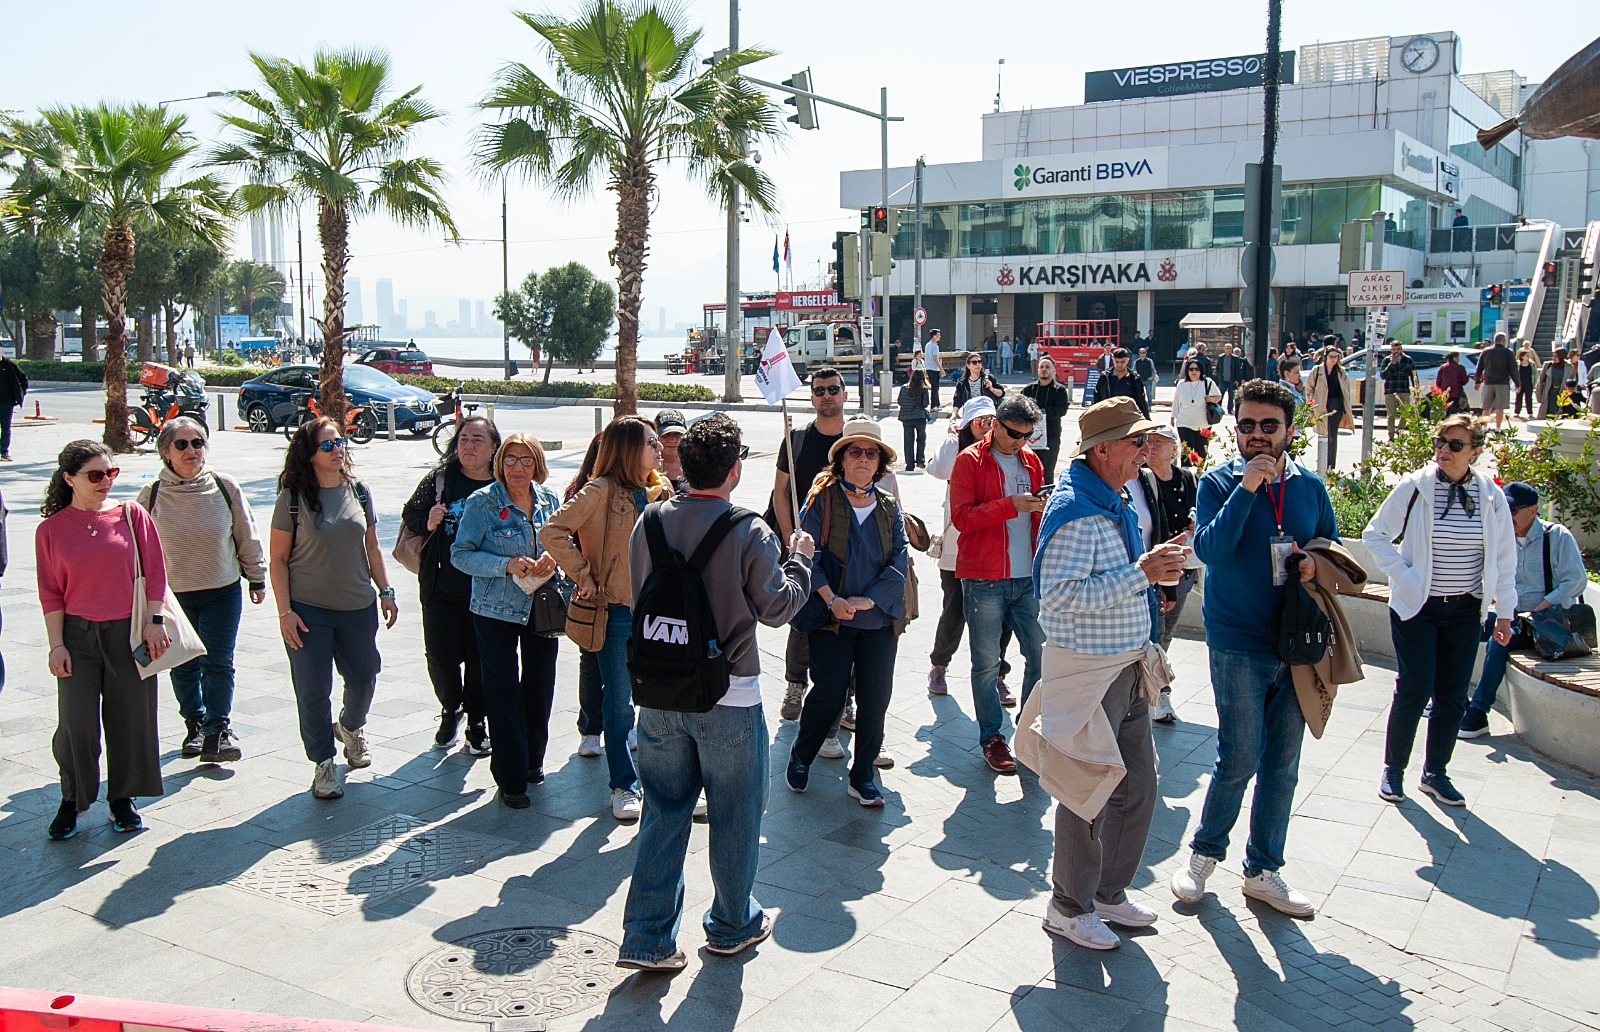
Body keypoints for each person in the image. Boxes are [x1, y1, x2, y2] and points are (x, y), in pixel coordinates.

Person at [617, 415, 815, 972]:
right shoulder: (748, 529)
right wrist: (798, 558)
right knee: (735, 814)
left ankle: (647, 936)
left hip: (658, 692)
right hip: (729, 694)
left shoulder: (649, 523)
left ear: (683, 463)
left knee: (663, 810)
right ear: (733, 470)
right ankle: (732, 924)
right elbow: (777, 609)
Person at [1172, 379, 1337, 917]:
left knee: (1283, 763)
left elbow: (1330, 547)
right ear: (1235, 428)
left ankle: (1264, 869)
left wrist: (1315, 564)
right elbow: (1212, 551)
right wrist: (1246, 490)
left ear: (1290, 430)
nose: (1258, 436)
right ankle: (1203, 855)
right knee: (1238, 756)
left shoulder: (1310, 487)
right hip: (1238, 640)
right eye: (1247, 426)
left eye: (1270, 426)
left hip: (1297, 642)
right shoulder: (1218, 483)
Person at [1031, 397, 1184, 950]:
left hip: (1124, 663)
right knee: (1085, 790)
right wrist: (1140, 574)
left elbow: (1112, 577)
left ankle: (1107, 894)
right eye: (1135, 441)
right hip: (1087, 672)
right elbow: (1057, 600)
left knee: (1138, 786)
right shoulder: (1076, 509)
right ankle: (1067, 906)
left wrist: (1147, 582)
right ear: (1102, 450)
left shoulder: (1112, 495)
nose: (1146, 450)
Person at [1364, 415, 1517, 807]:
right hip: (1418, 608)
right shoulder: (1415, 486)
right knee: (1415, 687)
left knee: (1451, 694)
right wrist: (1406, 575)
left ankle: (1435, 773)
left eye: (1455, 445)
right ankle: (1393, 771)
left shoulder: (1489, 495)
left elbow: (1504, 556)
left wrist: (1504, 612)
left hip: (1466, 609)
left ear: (1475, 451)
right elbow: (1375, 535)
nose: (1444, 450)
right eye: (1440, 442)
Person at [37, 440, 171, 839]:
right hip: (77, 637)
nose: (105, 482)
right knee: (75, 724)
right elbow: (50, 592)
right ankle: (73, 799)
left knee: (131, 719)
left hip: (129, 633)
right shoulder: (51, 530)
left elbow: (157, 572)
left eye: (110, 473)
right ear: (69, 478)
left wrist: (155, 621)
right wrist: (56, 644)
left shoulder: (133, 516)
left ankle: (122, 799)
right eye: (95, 475)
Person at [543, 415, 672, 821]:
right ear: (629, 449)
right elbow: (553, 531)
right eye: (652, 442)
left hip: (658, 611)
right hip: (616, 612)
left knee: (662, 704)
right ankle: (623, 785)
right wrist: (583, 574)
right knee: (618, 706)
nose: (660, 449)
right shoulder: (599, 490)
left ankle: (667, 783)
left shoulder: (661, 488)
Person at [271, 419, 398, 800]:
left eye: (340, 442)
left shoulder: (359, 492)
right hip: (308, 610)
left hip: (358, 605)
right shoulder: (292, 498)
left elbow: (372, 546)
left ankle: (350, 727)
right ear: (308, 454)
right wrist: (284, 612)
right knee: (313, 690)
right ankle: (323, 764)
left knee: (364, 676)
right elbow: (277, 560)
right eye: (327, 445)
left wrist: (386, 589)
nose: (337, 449)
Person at [786, 419, 907, 806]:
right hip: (832, 617)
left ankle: (863, 774)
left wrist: (868, 600)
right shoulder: (823, 498)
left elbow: (900, 559)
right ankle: (802, 756)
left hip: (876, 620)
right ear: (841, 459)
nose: (863, 458)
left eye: (871, 453)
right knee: (829, 695)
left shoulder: (888, 506)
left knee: (875, 699)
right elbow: (808, 555)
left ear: (879, 464)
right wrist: (830, 597)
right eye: (855, 451)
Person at [134, 417, 266, 764]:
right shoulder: (152, 495)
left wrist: (256, 576)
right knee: (183, 663)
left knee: (219, 662)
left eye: (197, 443)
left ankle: (218, 730)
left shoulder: (224, 486)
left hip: (222, 590)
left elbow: (245, 534)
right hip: (173, 596)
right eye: (182, 444)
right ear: (166, 452)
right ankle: (194, 725)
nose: (191, 450)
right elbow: (135, 548)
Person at [451, 434, 562, 808]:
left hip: (542, 607)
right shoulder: (481, 503)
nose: (518, 467)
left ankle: (533, 761)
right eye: (511, 459)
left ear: (537, 464)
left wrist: (553, 559)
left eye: (526, 460)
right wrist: (506, 565)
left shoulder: (549, 500)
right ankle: (511, 777)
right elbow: (460, 555)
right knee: (502, 690)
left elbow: (564, 544)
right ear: (500, 463)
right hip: (494, 610)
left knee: (540, 687)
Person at [950, 394, 1048, 774]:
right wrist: (1012, 505)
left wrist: (1041, 506)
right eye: (1013, 433)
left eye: (1027, 435)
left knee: (1040, 657)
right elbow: (962, 518)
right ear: (995, 424)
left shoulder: (1032, 461)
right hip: (984, 578)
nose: (1020, 442)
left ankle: (1027, 730)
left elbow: (1036, 512)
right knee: (987, 664)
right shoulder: (969, 461)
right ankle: (992, 737)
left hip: (1027, 577)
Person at [401, 416, 500, 757]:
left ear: (492, 448)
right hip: (441, 588)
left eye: (477, 439)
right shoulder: (440, 480)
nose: (468, 445)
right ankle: (450, 707)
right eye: (463, 439)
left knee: (479, 661)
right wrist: (427, 520)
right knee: (440, 659)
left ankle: (476, 721)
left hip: (488, 592)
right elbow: (410, 515)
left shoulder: (502, 484)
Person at [1459, 482, 1586, 739]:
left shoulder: (1556, 536)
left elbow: (1576, 580)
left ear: (1534, 510)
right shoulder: (1503, 538)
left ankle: (1479, 712)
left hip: (1547, 622)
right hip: (1514, 616)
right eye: (1504, 509)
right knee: (1459, 628)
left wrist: (1545, 604)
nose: (1509, 516)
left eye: (1514, 510)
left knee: (1500, 639)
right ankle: (1455, 701)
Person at [927, 398, 1019, 700]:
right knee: (954, 612)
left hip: (998, 549)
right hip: (958, 548)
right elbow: (938, 470)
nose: (986, 428)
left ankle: (998, 676)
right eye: (978, 422)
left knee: (1001, 619)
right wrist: (954, 435)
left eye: (991, 421)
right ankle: (939, 665)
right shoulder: (959, 452)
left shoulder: (1005, 450)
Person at [773, 366, 847, 721]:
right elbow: (780, 494)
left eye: (832, 389)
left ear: (844, 394)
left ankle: (845, 696)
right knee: (802, 620)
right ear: (811, 397)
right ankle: (794, 686)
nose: (826, 396)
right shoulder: (797, 440)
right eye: (819, 391)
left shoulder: (858, 439)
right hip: (807, 547)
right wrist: (792, 538)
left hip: (849, 547)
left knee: (845, 623)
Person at [1134, 426, 1198, 724]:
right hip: (1155, 566)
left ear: (1175, 448)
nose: (1152, 447)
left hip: (1182, 568)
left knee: (1167, 631)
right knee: (1156, 633)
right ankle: (1161, 694)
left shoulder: (1187, 478)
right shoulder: (1141, 478)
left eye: (1160, 442)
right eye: (1149, 441)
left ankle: (1156, 682)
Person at [564, 437, 607, 758]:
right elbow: (559, 536)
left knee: (626, 663)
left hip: (625, 595)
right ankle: (590, 729)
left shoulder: (640, 489)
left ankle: (625, 724)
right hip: (590, 594)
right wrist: (582, 574)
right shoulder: (581, 491)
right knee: (591, 662)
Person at [1022, 356, 1072, 481]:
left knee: (1047, 473)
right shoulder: (1029, 389)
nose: (1044, 370)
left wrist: (1042, 412)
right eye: (1041, 367)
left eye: (1047, 367)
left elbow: (1062, 410)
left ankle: (1046, 498)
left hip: (1051, 437)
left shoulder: (1060, 390)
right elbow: (1019, 407)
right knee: (1027, 470)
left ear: (1054, 370)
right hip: (1029, 438)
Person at [1304, 346, 1352, 472]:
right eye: (1331, 356)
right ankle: (1322, 461)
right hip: (1322, 405)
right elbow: (1309, 388)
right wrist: (1311, 402)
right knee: (1323, 435)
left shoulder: (1341, 371)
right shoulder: (1318, 370)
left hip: (1336, 405)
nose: (1333, 359)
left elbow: (1346, 389)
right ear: (1325, 357)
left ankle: (1330, 465)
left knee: (1333, 435)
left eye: (1336, 356)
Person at [1171, 359, 1222, 467]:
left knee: (1201, 453)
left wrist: (1211, 400)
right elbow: (1176, 401)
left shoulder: (1207, 382)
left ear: (1201, 370)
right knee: (1186, 453)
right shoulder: (1182, 384)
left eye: (1196, 369)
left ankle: (1198, 475)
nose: (1194, 372)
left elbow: (1218, 396)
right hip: (1184, 423)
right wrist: (1173, 417)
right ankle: (1186, 477)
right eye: (1191, 369)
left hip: (1203, 424)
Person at [1091, 348, 1150, 417]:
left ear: (1127, 360)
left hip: (1129, 416)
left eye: (1122, 362)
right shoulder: (1105, 377)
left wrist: (1147, 418)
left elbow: (1141, 400)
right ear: (1113, 360)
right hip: (1109, 416)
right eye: (1117, 362)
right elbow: (1097, 397)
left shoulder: (1134, 378)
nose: (1119, 365)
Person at [1378, 339, 1418, 438]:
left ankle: (1400, 431)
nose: (1396, 351)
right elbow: (1383, 375)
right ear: (1391, 350)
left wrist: (1416, 391)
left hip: (1403, 390)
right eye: (1394, 349)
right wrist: (1392, 364)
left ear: (1401, 349)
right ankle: (1391, 436)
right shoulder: (1387, 360)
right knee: (1391, 415)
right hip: (1390, 390)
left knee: (1405, 413)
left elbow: (1414, 376)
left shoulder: (1408, 359)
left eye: (1398, 349)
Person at [1477, 332, 1515, 428]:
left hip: (1488, 382)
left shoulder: (1486, 351)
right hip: (1503, 383)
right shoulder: (1508, 352)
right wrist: (1517, 383)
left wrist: (1477, 380)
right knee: (1500, 408)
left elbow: (1479, 367)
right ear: (1504, 341)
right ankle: (1498, 428)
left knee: (1486, 407)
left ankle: (1484, 427)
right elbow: (1513, 369)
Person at [896, 368, 930, 469]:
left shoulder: (904, 388)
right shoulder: (924, 389)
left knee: (908, 441)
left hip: (906, 417)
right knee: (921, 440)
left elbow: (900, 401)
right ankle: (920, 460)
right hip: (919, 417)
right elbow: (925, 403)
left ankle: (909, 464)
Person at [654, 410, 691, 495]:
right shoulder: (647, 469)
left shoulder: (695, 466)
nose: (672, 440)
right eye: (666, 435)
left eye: (677, 435)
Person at [0, 353, 28, 461]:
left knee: (5, 428)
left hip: (7, 402)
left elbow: (23, 379)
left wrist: (20, 394)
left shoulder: (9, 365)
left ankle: (4, 452)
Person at [1535, 347, 1577, 418]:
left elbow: (1572, 382)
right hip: (1549, 392)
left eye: (1556, 356)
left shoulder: (1569, 367)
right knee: (1547, 413)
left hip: (1562, 393)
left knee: (1560, 413)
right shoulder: (1548, 365)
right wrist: (1538, 394)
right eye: (1553, 356)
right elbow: (1540, 380)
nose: (1554, 358)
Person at [1436, 350, 1470, 414]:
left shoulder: (1443, 367)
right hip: (1456, 392)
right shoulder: (1460, 367)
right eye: (1458, 357)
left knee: (1447, 410)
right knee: (1454, 411)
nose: (1459, 359)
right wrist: (1468, 377)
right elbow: (1464, 381)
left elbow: (1438, 381)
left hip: (1444, 392)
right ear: (1454, 358)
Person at [1513, 343, 1538, 419]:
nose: (1528, 357)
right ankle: (1517, 412)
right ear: (1522, 356)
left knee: (1529, 398)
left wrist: (1535, 383)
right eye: (1527, 355)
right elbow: (1514, 373)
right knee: (1518, 398)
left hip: (1529, 383)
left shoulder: (1532, 364)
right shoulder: (1517, 364)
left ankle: (1530, 412)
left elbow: (1535, 373)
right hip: (1520, 383)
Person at [923, 329, 945, 412]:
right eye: (938, 335)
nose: (940, 336)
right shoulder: (935, 346)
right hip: (934, 368)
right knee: (935, 388)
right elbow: (936, 359)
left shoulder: (927, 345)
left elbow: (926, 358)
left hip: (929, 368)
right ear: (934, 336)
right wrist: (941, 369)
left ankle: (937, 404)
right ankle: (934, 405)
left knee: (934, 387)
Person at [1134, 347, 1158, 413]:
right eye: (1141, 353)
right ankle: (1141, 407)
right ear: (1139, 353)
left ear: (1146, 353)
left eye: (1144, 353)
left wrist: (1152, 377)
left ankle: (1149, 407)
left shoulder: (1149, 361)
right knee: (1140, 394)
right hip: (1140, 380)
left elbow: (1153, 370)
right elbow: (1134, 370)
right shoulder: (1136, 362)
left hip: (1148, 380)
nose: (1142, 354)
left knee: (1149, 394)